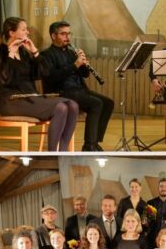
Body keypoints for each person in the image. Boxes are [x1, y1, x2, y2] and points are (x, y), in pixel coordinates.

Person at [0, 17, 78, 151]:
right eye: (24, 29)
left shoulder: (24, 54)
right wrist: (10, 53)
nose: (28, 32)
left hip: (31, 98)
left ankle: (63, 151)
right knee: (61, 108)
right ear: (12, 33)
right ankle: (52, 154)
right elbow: (3, 80)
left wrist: (35, 52)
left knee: (72, 105)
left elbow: (45, 72)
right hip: (11, 102)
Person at [40, 20, 113, 151]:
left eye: (69, 34)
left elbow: (85, 75)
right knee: (96, 104)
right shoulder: (46, 55)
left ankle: (94, 141)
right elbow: (52, 78)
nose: (67, 37)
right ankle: (89, 145)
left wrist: (83, 63)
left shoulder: (71, 52)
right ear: (53, 36)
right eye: (63, 34)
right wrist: (75, 65)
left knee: (108, 103)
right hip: (61, 92)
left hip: (79, 90)